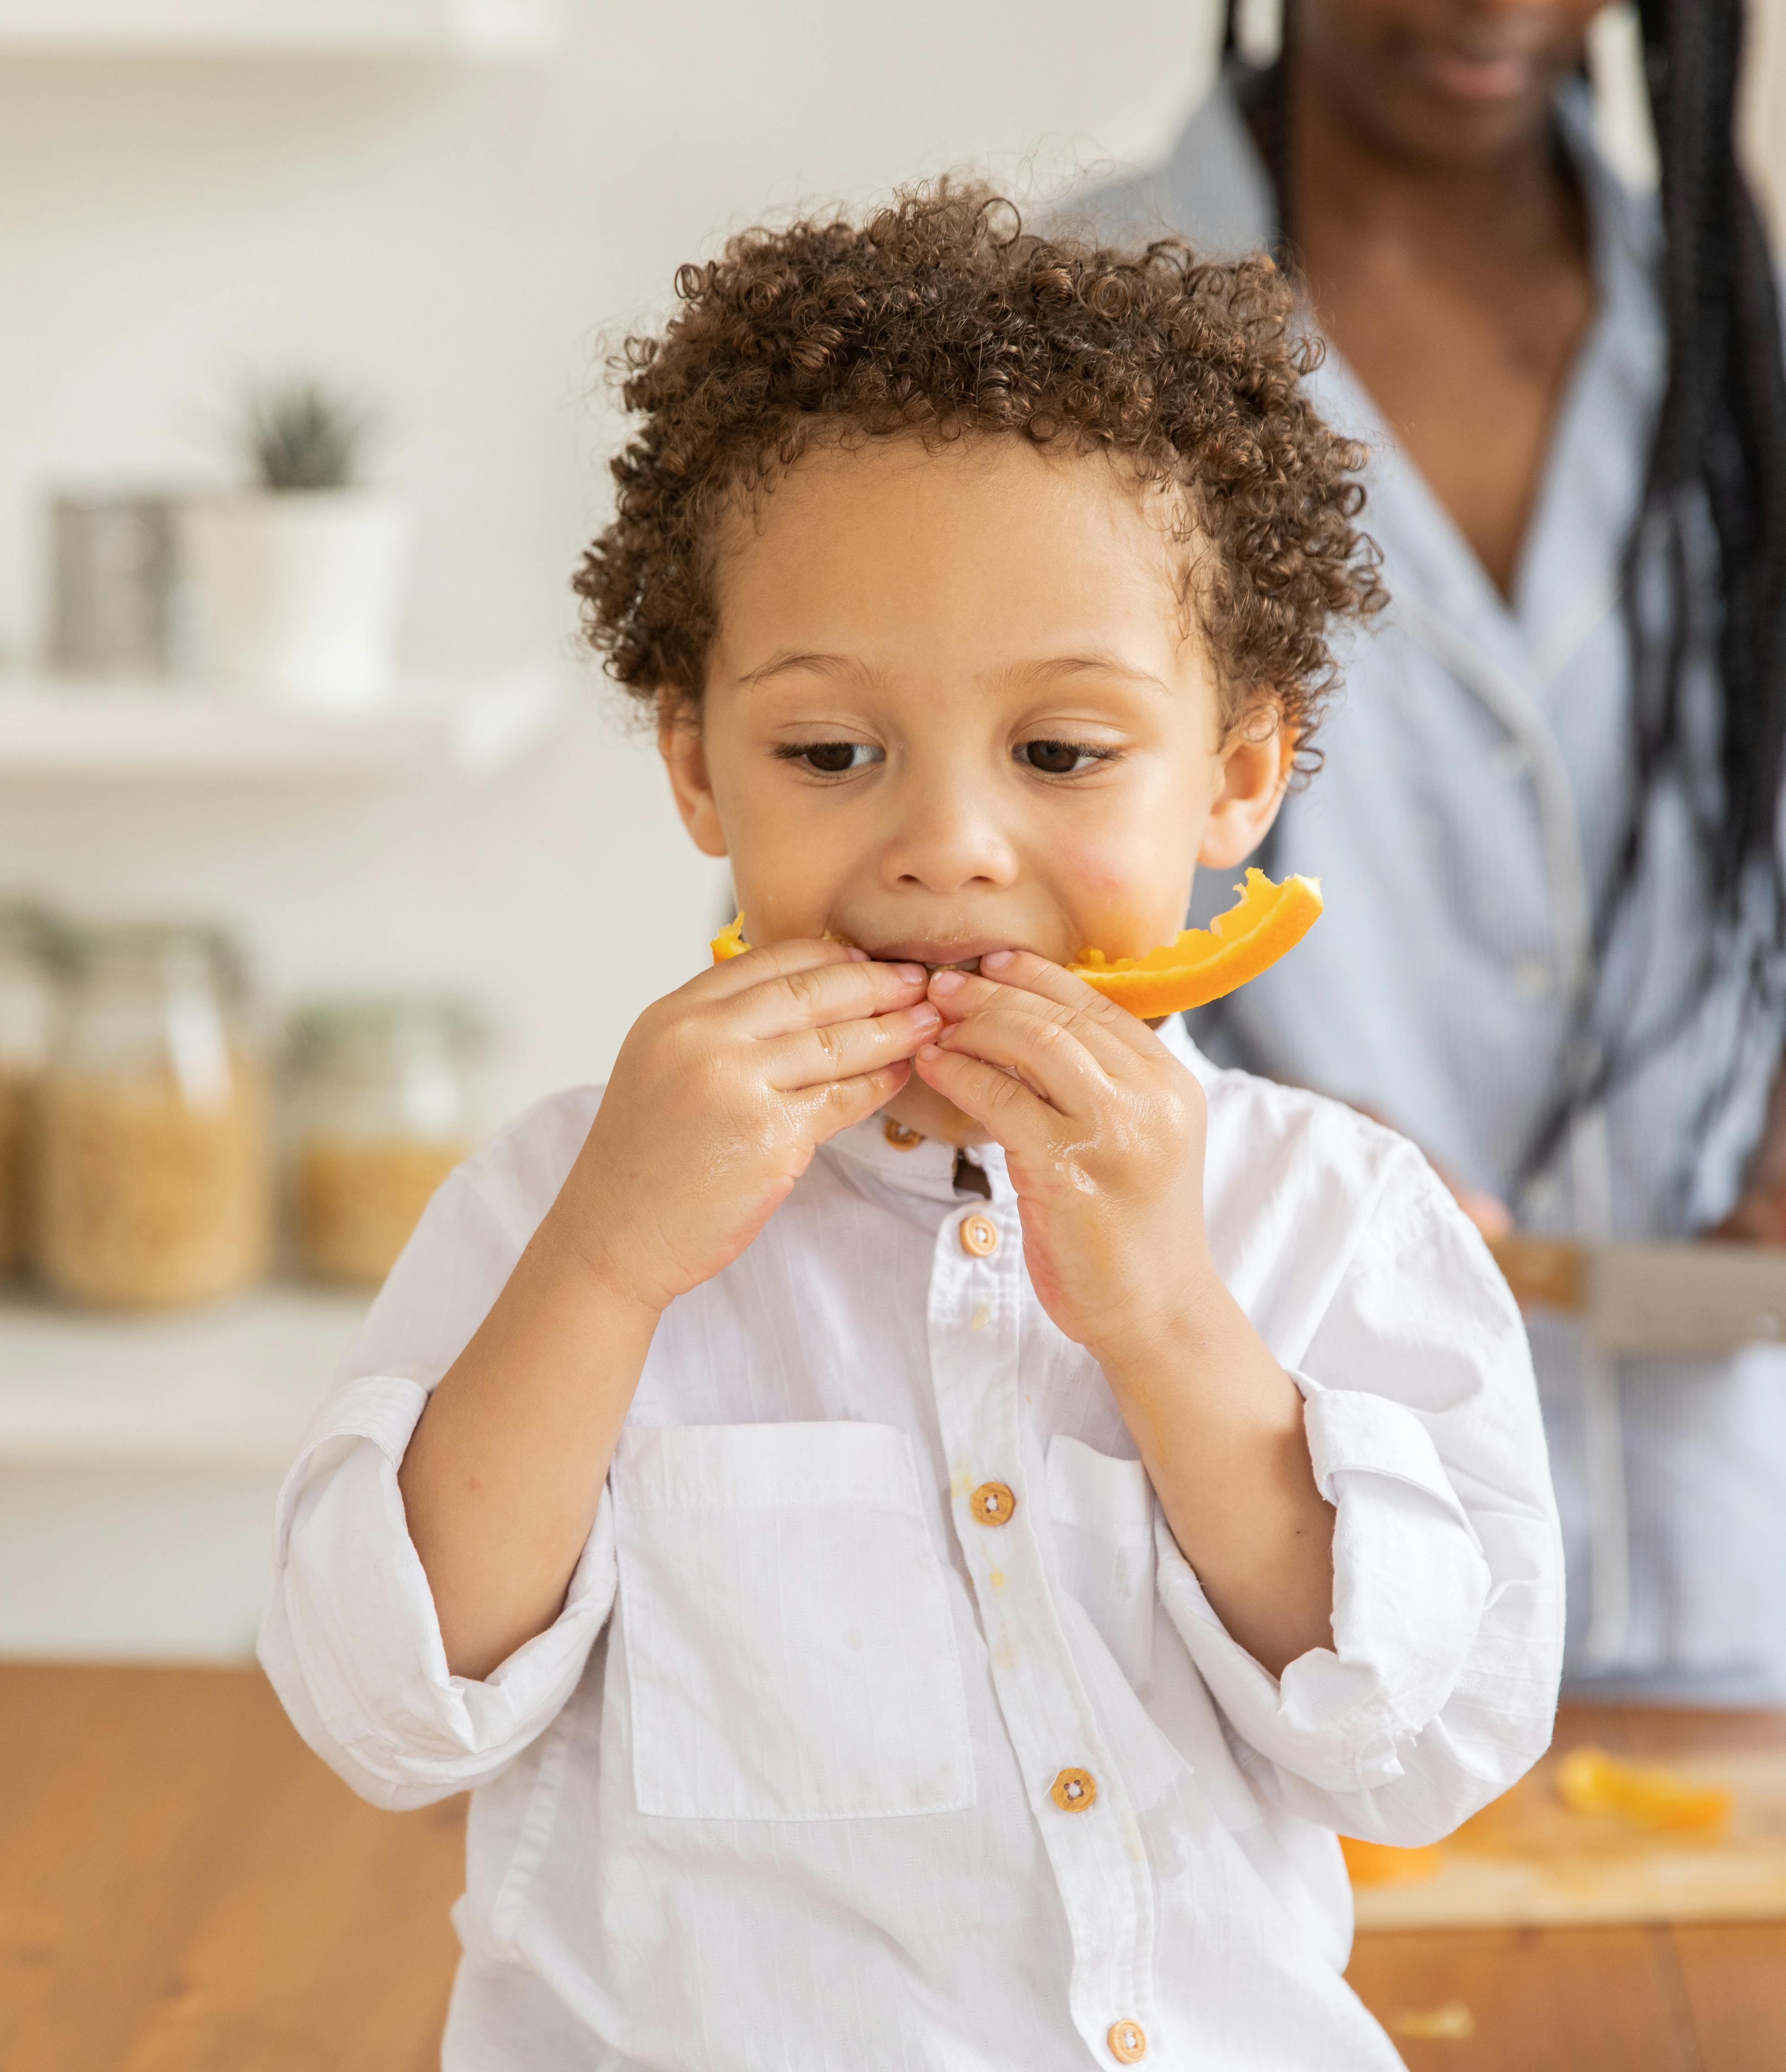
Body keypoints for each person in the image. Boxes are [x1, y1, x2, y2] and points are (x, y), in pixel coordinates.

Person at [261, 188, 1559, 2071]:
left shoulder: (1339, 1219)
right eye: (828, 752)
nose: (949, 844)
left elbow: (1424, 1747)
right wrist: (612, 1268)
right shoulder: (563, 1201)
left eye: (1059, 753)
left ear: (1243, 774)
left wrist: (1172, 1322)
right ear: (698, 764)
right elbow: (387, 1708)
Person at [1061, 0, 1786, 1707]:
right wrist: (1272, 1154)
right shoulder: (1060, 337)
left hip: (1703, 1529)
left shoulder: (1782, 357)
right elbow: (908, 908)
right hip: (1229, 1539)